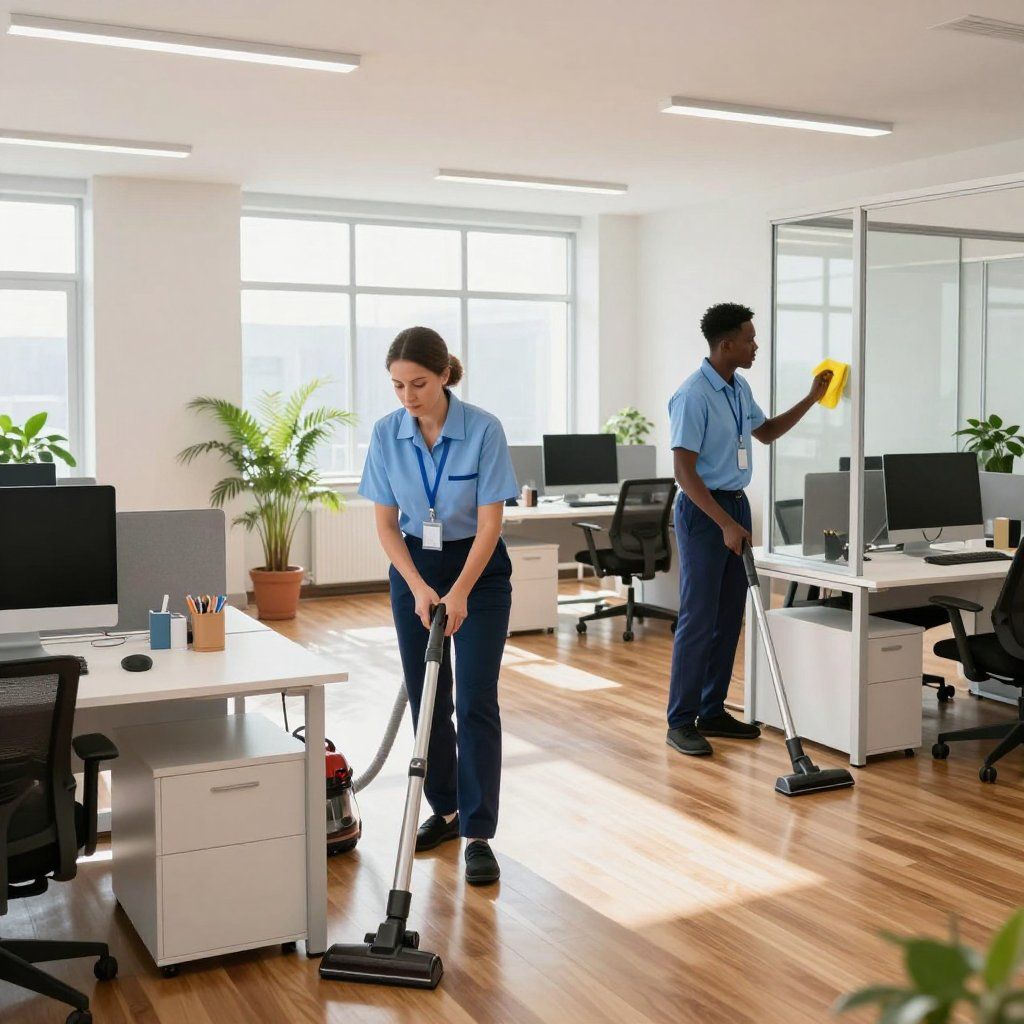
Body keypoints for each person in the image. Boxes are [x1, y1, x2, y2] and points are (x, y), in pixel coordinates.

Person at [359, 325, 518, 885]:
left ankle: (478, 833)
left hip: (478, 570)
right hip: (414, 574)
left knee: (475, 699)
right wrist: (421, 587)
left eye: (418, 384)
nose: (408, 397)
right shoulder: (386, 435)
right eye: (398, 386)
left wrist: (460, 593)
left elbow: (491, 523)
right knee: (430, 697)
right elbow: (384, 524)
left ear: (445, 374)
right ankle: (446, 809)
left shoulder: (483, 430)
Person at [666, 303, 832, 757]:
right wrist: (723, 523)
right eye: (750, 339)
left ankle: (712, 709)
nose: (755, 346)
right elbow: (684, 471)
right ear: (726, 345)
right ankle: (680, 721)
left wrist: (811, 398)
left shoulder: (738, 387)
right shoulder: (693, 395)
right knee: (698, 619)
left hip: (735, 507)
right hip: (705, 513)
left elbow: (768, 432)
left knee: (727, 616)